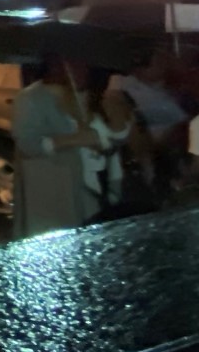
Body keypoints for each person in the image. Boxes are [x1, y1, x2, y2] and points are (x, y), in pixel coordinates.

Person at [11, 54, 129, 236]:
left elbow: (114, 136)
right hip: (56, 187)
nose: (83, 70)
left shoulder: (92, 95)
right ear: (56, 65)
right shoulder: (30, 98)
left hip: (94, 184)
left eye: (84, 65)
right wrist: (73, 140)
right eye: (75, 64)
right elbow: (28, 143)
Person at [105, 48, 189, 196]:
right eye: (156, 62)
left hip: (179, 147)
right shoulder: (122, 83)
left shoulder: (175, 87)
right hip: (146, 150)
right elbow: (113, 101)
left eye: (163, 61)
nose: (162, 65)